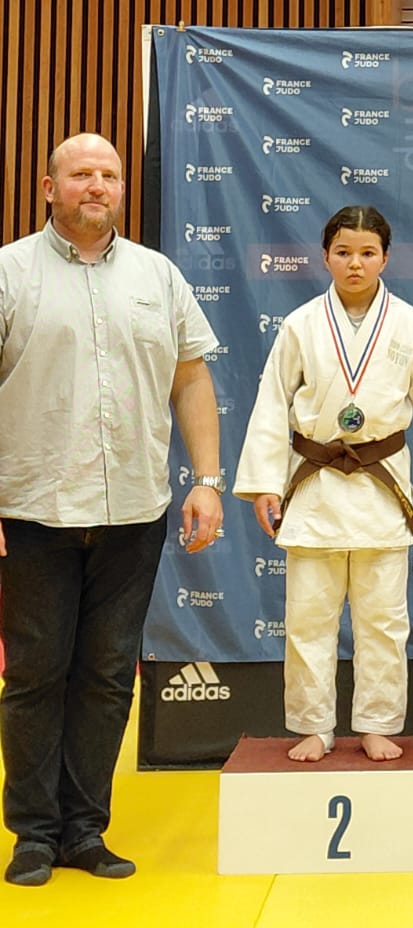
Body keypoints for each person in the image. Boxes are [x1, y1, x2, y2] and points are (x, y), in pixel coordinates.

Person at [0, 133, 223, 887]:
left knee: (105, 676)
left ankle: (86, 830)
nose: (97, 185)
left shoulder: (158, 276)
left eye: (110, 175)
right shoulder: (9, 272)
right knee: (36, 674)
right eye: (81, 175)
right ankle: (34, 834)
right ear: (48, 188)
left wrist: (207, 479)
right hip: (33, 511)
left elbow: (191, 379)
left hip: (134, 510)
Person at [234, 205, 413, 762]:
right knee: (308, 620)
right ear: (325, 257)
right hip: (315, 487)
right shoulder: (300, 325)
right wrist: (264, 484)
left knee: (383, 622)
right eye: (343, 252)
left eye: (367, 253)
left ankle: (377, 722)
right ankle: (314, 725)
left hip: (379, 489)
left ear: (385, 258)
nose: (355, 263)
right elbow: (271, 406)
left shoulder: (411, 326)